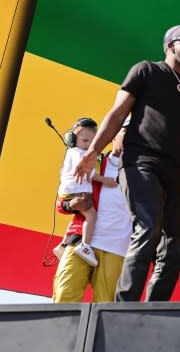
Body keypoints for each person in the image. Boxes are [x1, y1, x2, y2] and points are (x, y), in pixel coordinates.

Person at [74, 24, 180, 302]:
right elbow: (117, 114)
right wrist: (93, 152)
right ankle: (124, 308)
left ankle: (152, 312)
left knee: (176, 251)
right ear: (170, 45)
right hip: (141, 166)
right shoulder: (147, 71)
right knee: (149, 228)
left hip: (179, 179)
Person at [53, 121, 132, 302]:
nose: (131, 137)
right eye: (126, 131)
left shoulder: (145, 174)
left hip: (117, 248)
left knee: (105, 308)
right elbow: (62, 201)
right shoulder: (94, 161)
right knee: (64, 298)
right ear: (113, 135)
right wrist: (71, 204)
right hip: (80, 241)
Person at [56, 118, 102, 267]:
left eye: (92, 142)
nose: (89, 145)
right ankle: (85, 246)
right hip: (78, 195)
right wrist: (104, 179)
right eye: (85, 140)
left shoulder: (73, 152)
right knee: (91, 215)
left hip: (69, 193)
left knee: (81, 215)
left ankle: (62, 245)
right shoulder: (79, 154)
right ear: (72, 139)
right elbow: (87, 173)